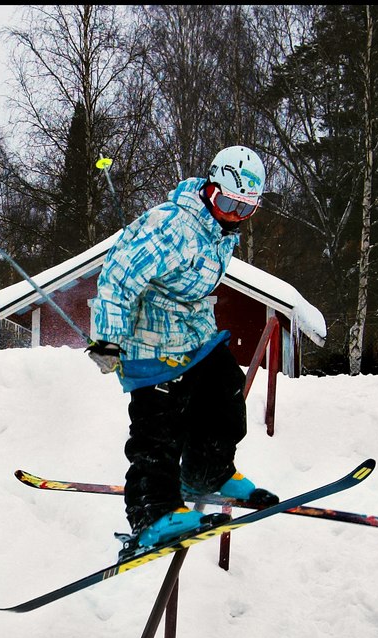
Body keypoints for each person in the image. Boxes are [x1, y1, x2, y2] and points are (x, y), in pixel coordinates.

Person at [86, 145, 279, 552]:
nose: (232, 215)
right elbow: (117, 277)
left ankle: (208, 471)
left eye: (244, 209)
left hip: (192, 337)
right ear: (211, 188)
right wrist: (107, 339)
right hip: (148, 343)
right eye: (227, 202)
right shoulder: (173, 226)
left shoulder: (219, 232)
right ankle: (153, 512)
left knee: (226, 392)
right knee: (159, 429)